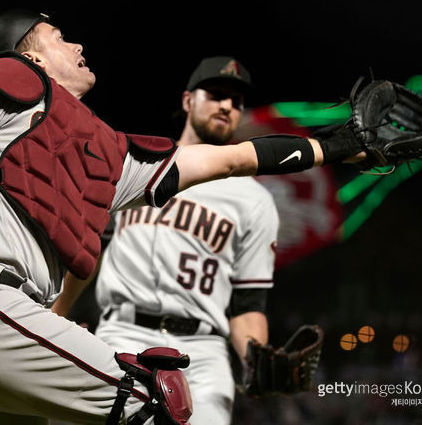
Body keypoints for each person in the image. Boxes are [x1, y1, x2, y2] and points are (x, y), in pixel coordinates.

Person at [0, 10, 364, 425]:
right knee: (154, 401)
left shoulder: (107, 160)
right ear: (29, 54)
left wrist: (339, 145)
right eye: (59, 36)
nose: (76, 45)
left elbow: (231, 159)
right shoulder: (9, 86)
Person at [61, 57, 276, 425]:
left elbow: (248, 303)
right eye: (217, 94)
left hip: (203, 354)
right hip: (119, 336)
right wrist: (56, 315)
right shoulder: (142, 166)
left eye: (237, 101)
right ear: (188, 100)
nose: (227, 105)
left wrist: (258, 359)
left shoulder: (255, 200)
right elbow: (89, 252)